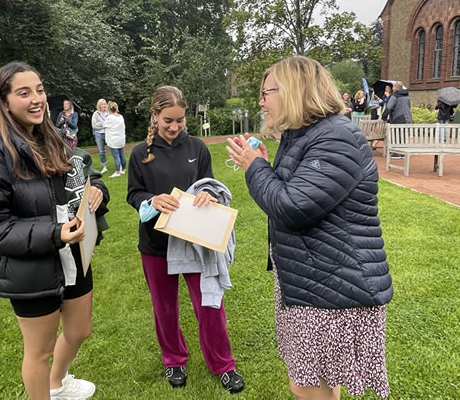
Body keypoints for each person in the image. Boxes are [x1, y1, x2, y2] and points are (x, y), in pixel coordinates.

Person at [225, 56, 393, 400]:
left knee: (305, 384)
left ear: (292, 91)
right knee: (319, 379)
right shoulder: (306, 135)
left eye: (265, 92)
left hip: (334, 283)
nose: (260, 101)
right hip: (314, 278)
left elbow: (292, 207)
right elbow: (295, 192)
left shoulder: (335, 137)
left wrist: (255, 167)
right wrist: (263, 162)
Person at [0, 61, 108, 399]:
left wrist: (97, 191)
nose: (37, 99)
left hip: (74, 255)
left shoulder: (52, 138)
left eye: (39, 90)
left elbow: (81, 179)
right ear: (4, 101)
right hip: (31, 268)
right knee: (39, 352)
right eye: (24, 92)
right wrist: (55, 234)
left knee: (79, 330)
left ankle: (57, 384)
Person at [126, 86, 244, 393]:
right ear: (155, 115)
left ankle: (223, 364)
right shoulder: (140, 153)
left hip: (195, 241)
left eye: (180, 120)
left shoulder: (198, 148)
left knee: (209, 304)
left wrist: (209, 193)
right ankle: (174, 359)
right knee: (164, 308)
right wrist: (153, 201)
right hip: (156, 245)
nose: (175, 127)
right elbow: (133, 195)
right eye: (168, 120)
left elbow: (211, 185)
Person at [102, 101, 126, 177]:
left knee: (116, 156)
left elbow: (104, 125)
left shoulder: (109, 118)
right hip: (121, 139)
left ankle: (117, 171)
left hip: (113, 140)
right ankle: (123, 169)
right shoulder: (120, 116)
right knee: (122, 155)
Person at [91, 99, 108, 173]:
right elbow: (94, 126)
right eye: (102, 104)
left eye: (105, 104)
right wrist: (104, 125)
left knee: (114, 149)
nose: (104, 105)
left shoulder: (109, 113)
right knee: (101, 151)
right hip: (98, 133)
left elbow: (111, 123)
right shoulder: (96, 114)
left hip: (108, 133)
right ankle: (104, 166)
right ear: (99, 105)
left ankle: (118, 164)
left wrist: (103, 125)